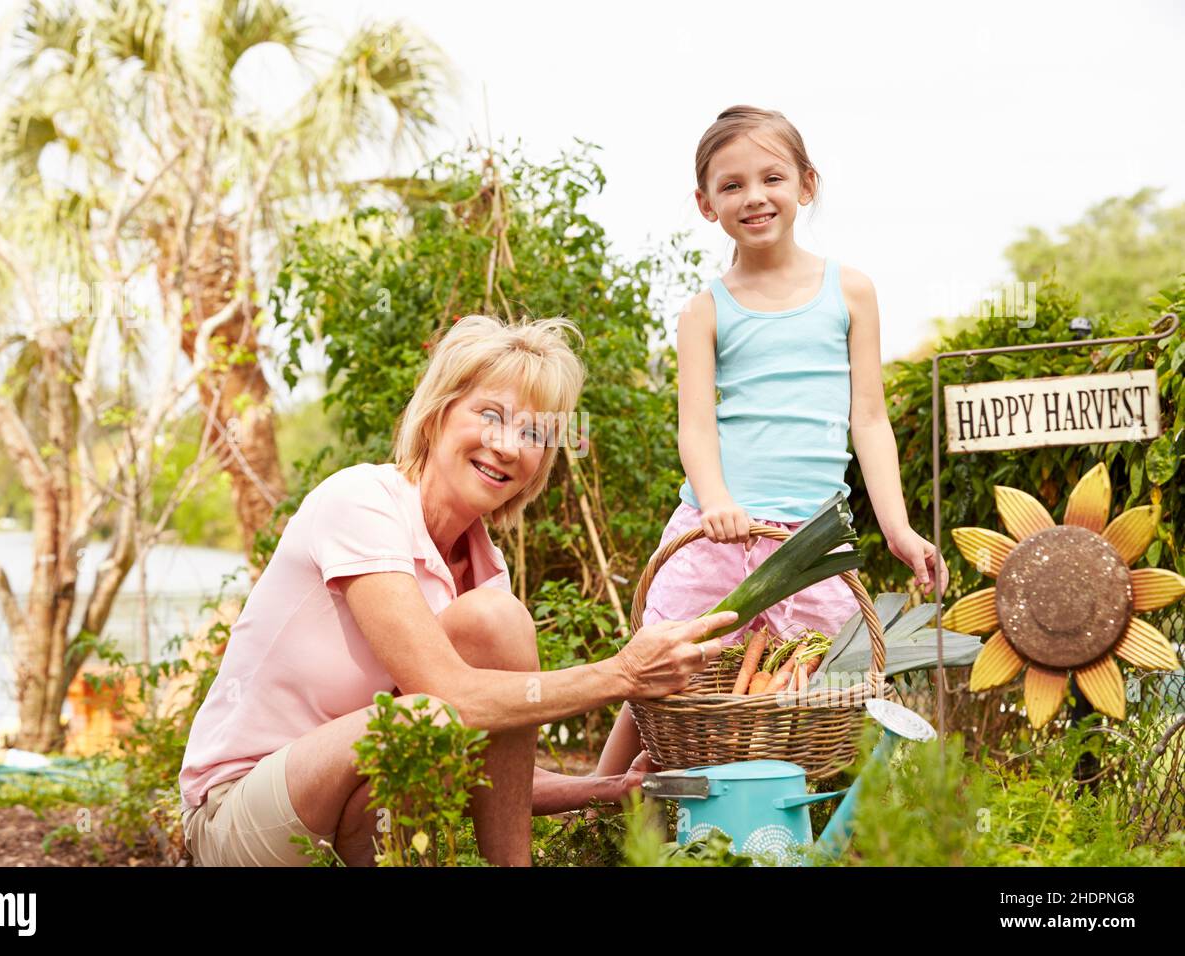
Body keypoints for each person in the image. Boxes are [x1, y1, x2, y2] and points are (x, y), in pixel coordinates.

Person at [178, 314, 738, 866]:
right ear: (437, 415)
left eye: (535, 433)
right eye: (490, 415)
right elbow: (447, 698)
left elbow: (494, 770)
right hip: (240, 813)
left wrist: (604, 787)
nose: (509, 446)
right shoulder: (360, 501)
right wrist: (623, 674)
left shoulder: (485, 571)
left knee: (495, 628)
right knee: (430, 715)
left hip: (347, 818)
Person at [596, 105, 949, 777]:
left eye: (771, 178)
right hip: (720, 528)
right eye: (731, 185)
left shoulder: (850, 290)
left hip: (813, 538)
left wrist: (898, 530)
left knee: (808, 681)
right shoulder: (705, 308)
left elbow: (868, 419)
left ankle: (786, 813)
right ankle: (600, 793)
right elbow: (695, 426)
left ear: (805, 185)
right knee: (665, 663)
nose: (753, 197)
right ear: (706, 204)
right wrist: (718, 502)